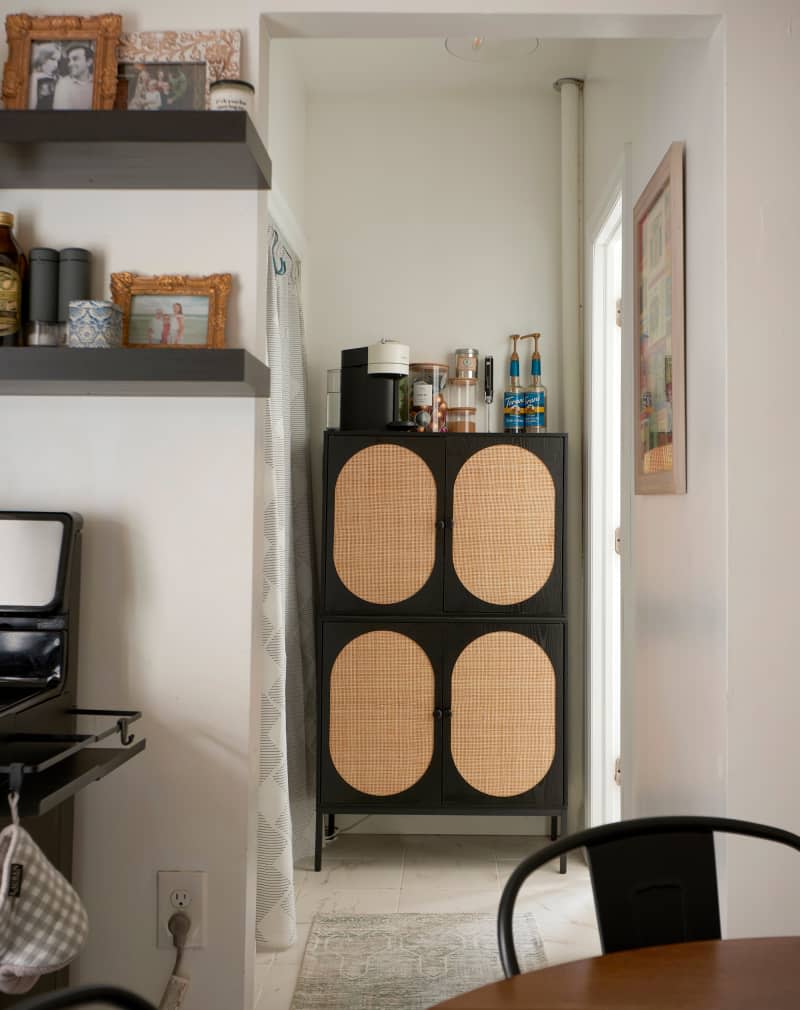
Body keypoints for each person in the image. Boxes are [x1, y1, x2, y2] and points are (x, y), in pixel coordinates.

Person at [52, 42, 94, 110]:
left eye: (75, 59)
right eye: (69, 60)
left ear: (89, 62)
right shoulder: (63, 84)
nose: (70, 64)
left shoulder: (98, 82)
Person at [28, 44, 59, 110]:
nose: (56, 65)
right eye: (53, 59)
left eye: (58, 61)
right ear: (43, 58)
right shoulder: (32, 78)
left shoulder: (57, 79)